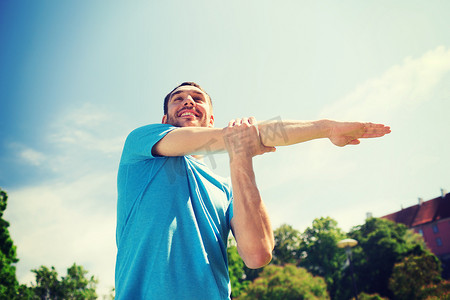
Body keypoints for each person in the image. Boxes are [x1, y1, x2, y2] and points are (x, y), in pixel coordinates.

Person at [115, 82, 391, 299]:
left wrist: (241, 157)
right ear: (164, 119)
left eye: (198, 98)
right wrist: (326, 128)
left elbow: (258, 254)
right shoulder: (141, 146)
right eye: (179, 98)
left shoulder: (226, 188)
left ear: (211, 119)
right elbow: (236, 137)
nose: (188, 100)